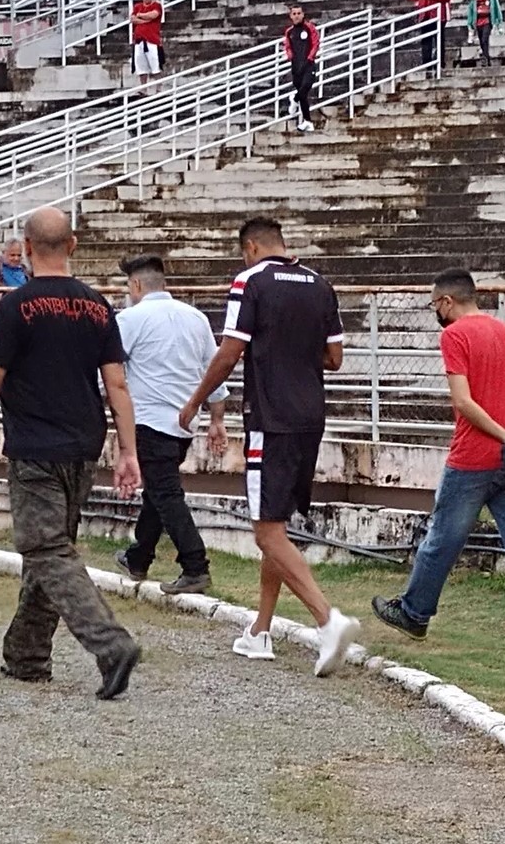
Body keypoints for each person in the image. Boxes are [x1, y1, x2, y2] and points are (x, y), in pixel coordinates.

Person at [0, 206, 143, 699]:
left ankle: (110, 645)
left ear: (25, 249)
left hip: (35, 448)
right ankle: (26, 656)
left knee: (45, 549)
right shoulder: (97, 306)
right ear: (72, 246)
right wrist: (127, 451)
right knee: (50, 552)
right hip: (83, 446)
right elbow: (117, 385)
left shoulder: (15, 306)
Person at [179, 217, 360, 677]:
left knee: (266, 532)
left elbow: (229, 350)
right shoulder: (321, 284)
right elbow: (334, 359)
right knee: (276, 525)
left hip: (271, 417)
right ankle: (260, 631)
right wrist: (294, 350)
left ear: (252, 247)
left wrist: (196, 401)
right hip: (310, 418)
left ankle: (327, 620)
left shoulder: (250, 280)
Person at [372, 268, 505, 661]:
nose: (435, 311)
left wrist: (503, 433)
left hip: (472, 458)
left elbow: (464, 402)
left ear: (446, 302)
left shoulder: (454, 335)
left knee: (442, 540)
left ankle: (414, 613)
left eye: (434, 304)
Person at [113, 255, 230, 596]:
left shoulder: (130, 318)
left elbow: (110, 371)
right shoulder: (196, 318)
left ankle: (195, 566)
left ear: (136, 285)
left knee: (165, 493)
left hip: (149, 420)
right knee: (158, 491)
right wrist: (217, 419)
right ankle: (139, 557)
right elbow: (215, 370)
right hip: (183, 423)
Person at [283, 4, 319, 133]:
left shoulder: (309, 28)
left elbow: (315, 43)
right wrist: (289, 56)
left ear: (303, 14)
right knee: (303, 95)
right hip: (296, 66)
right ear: (291, 16)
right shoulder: (289, 32)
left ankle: (294, 99)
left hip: (308, 64)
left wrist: (310, 57)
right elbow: (287, 46)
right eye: (294, 14)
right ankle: (307, 121)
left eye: (299, 13)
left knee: (305, 87)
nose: (297, 16)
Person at [408, 0, 454, 68]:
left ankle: (440, 64)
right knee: (426, 41)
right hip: (425, 16)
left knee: (439, 40)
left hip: (439, 15)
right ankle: (426, 64)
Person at [130, 0, 164, 91]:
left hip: (152, 40)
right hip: (139, 40)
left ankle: (159, 88)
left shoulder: (156, 5)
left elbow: (153, 15)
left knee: (156, 66)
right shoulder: (137, 6)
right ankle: (143, 88)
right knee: (141, 67)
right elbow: (133, 19)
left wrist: (140, 15)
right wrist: (145, 20)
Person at [467, 0, 503, 67]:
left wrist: (499, 22)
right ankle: (487, 59)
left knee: (484, 39)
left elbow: (497, 9)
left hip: (488, 20)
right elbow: (470, 11)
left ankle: (485, 59)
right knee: (481, 41)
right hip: (478, 22)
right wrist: (470, 23)